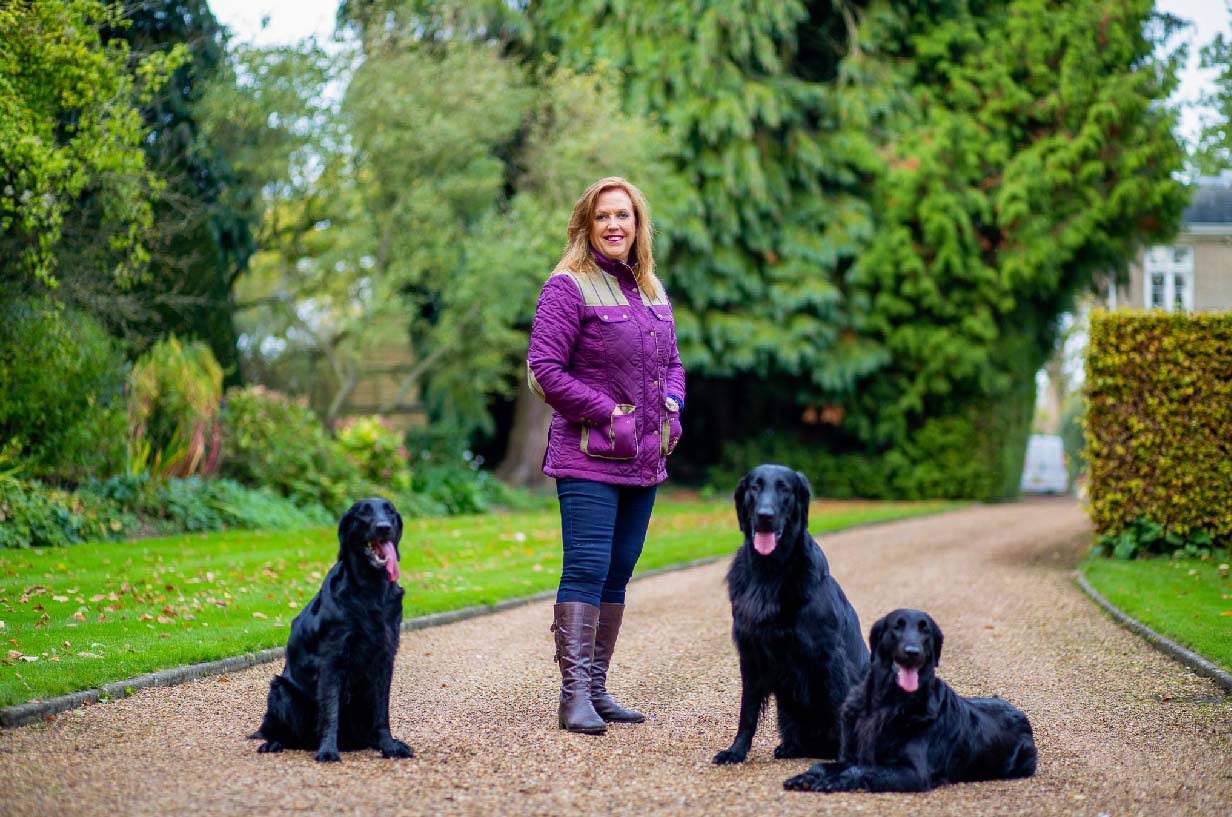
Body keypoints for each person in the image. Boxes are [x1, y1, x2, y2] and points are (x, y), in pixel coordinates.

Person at [527, 176, 686, 735]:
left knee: (618, 571)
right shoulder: (568, 286)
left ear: (638, 225)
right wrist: (608, 412)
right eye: (603, 217)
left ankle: (596, 688)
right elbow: (544, 371)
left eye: (624, 216)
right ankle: (573, 697)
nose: (614, 225)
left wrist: (672, 403)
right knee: (588, 568)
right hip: (588, 456)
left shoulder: (651, 289)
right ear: (586, 225)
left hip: (645, 458)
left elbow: (673, 363)